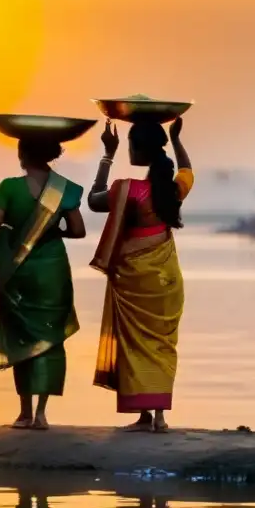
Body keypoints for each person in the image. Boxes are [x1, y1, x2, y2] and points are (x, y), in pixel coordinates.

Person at [88, 117, 193, 433]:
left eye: (130, 145)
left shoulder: (128, 190)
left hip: (135, 280)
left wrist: (107, 154)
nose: (128, 150)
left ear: (137, 149)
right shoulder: (171, 190)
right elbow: (188, 172)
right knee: (162, 343)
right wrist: (176, 139)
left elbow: (94, 201)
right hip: (167, 279)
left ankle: (145, 416)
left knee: (135, 344)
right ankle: (158, 417)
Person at [0, 137, 86, 430]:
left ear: (22, 154)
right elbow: (78, 231)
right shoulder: (64, 189)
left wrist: (10, 234)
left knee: (21, 336)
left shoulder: (9, 187)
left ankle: (24, 413)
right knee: (51, 339)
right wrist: (50, 233)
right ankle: (41, 413)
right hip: (53, 271)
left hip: (19, 273)